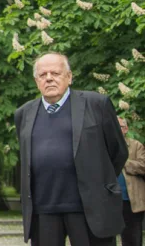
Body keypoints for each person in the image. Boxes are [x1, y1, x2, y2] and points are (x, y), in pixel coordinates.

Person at [15, 52, 128, 245]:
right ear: (36, 81)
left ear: (69, 77)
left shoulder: (96, 104)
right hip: (44, 210)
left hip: (88, 208)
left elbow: (118, 152)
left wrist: (97, 181)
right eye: (43, 75)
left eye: (55, 73)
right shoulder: (23, 113)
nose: (49, 78)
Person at [118, 117, 145, 246]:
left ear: (126, 129)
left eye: (121, 127)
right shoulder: (103, 146)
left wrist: (123, 161)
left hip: (131, 200)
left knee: (133, 239)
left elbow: (143, 165)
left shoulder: (136, 145)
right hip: (110, 200)